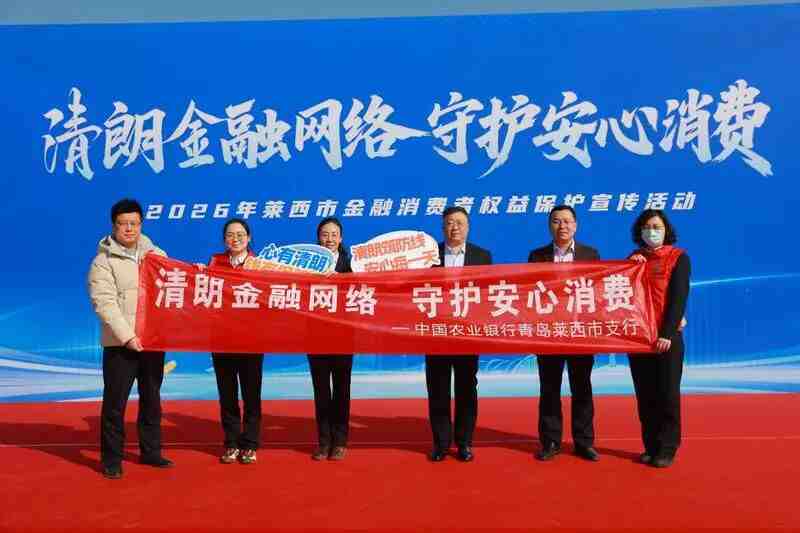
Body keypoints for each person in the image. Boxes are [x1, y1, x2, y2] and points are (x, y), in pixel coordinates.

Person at [88, 198, 173, 479]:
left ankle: (151, 452)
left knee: (152, 400)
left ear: (141, 224)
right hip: (120, 346)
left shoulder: (157, 255)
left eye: (134, 223)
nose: (129, 229)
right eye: (123, 224)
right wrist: (128, 337)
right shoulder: (103, 262)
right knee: (115, 404)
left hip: (152, 342)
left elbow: (173, 288)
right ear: (114, 226)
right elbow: (104, 304)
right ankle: (112, 459)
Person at [528, 205, 600, 462]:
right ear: (550, 226)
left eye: (567, 221)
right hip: (549, 334)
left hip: (580, 334)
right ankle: (550, 441)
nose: (562, 226)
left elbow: (597, 292)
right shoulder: (537, 256)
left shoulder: (590, 255)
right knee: (549, 389)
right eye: (557, 221)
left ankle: (584, 442)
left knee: (582, 388)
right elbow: (531, 294)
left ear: (576, 225)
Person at [426, 206, 492, 462]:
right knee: (438, 388)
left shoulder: (482, 256)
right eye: (450, 223)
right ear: (443, 227)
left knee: (466, 388)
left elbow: (488, 294)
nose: (454, 227)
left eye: (459, 223)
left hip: (467, 333)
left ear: (468, 227)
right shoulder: (429, 256)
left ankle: (464, 442)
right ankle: (441, 444)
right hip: (436, 332)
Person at [627, 209, 690, 468]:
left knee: (667, 394)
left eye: (657, 227)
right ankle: (650, 446)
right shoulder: (633, 259)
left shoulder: (678, 257)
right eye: (647, 227)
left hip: (667, 338)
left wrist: (667, 332)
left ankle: (667, 448)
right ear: (640, 232)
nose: (651, 231)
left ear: (666, 230)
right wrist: (631, 267)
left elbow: (678, 298)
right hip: (640, 339)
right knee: (645, 395)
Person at [208, 218, 264, 465]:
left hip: (252, 340)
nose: (236, 239)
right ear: (224, 240)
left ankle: (250, 444)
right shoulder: (215, 262)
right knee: (227, 394)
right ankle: (231, 443)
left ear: (249, 238)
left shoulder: (260, 265)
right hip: (222, 339)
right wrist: (198, 274)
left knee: (251, 395)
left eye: (241, 234)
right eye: (230, 234)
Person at [308, 217, 354, 461]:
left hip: (343, 335)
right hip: (315, 335)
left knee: (342, 391)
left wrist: (342, 280)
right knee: (321, 391)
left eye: (334, 234)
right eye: (325, 234)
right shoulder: (306, 263)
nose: (329, 239)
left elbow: (363, 291)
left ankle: (340, 441)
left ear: (341, 238)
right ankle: (324, 442)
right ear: (318, 238)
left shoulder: (352, 264)